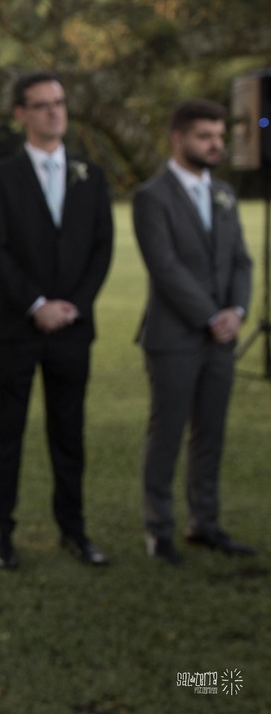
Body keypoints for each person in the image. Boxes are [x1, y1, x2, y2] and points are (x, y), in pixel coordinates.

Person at [0, 71, 114, 570]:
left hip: (73, 330)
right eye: (41, 105)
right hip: (14, 329)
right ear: (21, 115)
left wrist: (71, 306)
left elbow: (102, 249)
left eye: (59, 103)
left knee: (69, 433)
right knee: (6, 435)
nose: (54, 112)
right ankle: (1, 532)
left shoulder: (90, 176)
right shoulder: (0, 176)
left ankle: (74, 530)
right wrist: (37, 304)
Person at [133, 99, 255, 565]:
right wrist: (211, 316)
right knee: (166, 435)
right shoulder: (152, 197)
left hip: (222, 337)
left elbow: (241, 260)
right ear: (178, 138)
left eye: (220, 137)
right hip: (174, 337)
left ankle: (204, 523)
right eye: (206, 136)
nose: (216, 145)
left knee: (211, 434)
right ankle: (158, 531)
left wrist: (238, 310)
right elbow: (164, 267)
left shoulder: (224, 193)